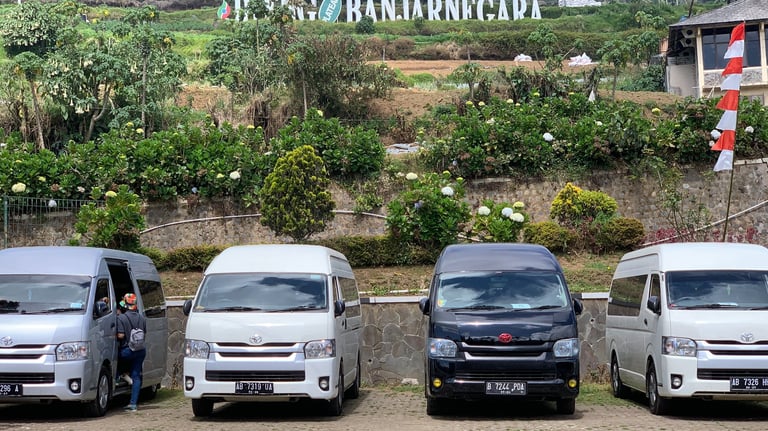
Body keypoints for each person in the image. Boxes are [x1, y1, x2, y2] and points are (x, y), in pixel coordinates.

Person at [116, 293, 146, 411]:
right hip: (141, 350)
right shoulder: (141, 318)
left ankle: (119, 375)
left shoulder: (121, 318)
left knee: (115, 358)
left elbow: (121, 335)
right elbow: (144, 334)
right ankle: (133, 404)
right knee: (136, 376)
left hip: (127, 351)